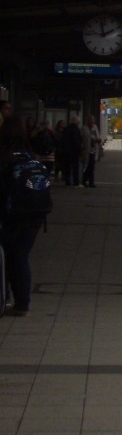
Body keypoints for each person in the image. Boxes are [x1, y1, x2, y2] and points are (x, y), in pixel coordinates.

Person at [0, 104, 38, 317]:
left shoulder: (5, 157)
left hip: (11, 216)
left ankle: (5, 298)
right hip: (33, 216)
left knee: (8, 258)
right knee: (20, 258)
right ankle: (22, 303)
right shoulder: (29, 155)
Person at [60, 116, 83, 187]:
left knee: (67, 167)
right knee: (75, 167)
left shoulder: (66, 129)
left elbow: (63, 140)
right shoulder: (76, 129)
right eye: (78, 121)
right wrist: (80, 148)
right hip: (74, 151)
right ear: (76, 122)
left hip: (66, 151)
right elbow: (76, 141)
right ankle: (76, 182)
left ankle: (68, 182)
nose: (79, 123)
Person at [82, 115, 101, 187]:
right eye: (91, 121)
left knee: (91, 167)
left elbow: (98, 137)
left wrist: (98, 139)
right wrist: (93, 138)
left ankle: (90, 182)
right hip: (86, 150)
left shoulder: (95, 127)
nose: (92, 122)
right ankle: (85, 181)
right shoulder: (84, 128)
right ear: (88, 121)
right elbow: (86, 137)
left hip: (93, 150)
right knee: (87, 167)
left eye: (93, 121)